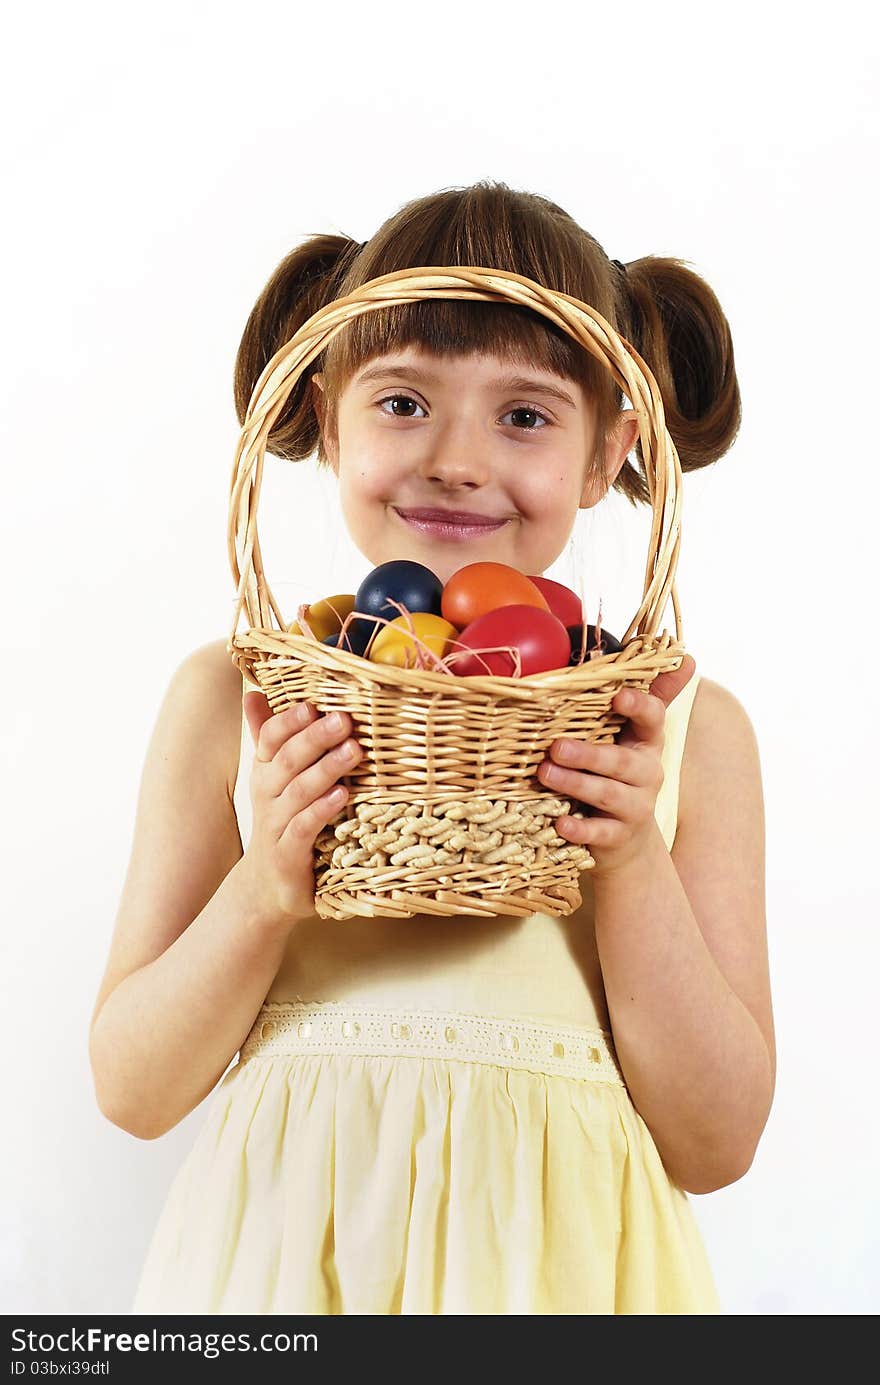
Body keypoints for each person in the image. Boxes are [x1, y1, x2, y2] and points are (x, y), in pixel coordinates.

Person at [89, 180, 774, 1315]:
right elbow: (133, 1084)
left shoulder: (677, 730)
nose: (455, 458)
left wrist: (630, 857)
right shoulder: (238, 698)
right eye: (403, 400)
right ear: (325, 408)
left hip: (559, 1279)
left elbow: (717, 1139)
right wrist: (267, 883)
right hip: (286, 1274)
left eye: (524, 415)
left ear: (610, 452)